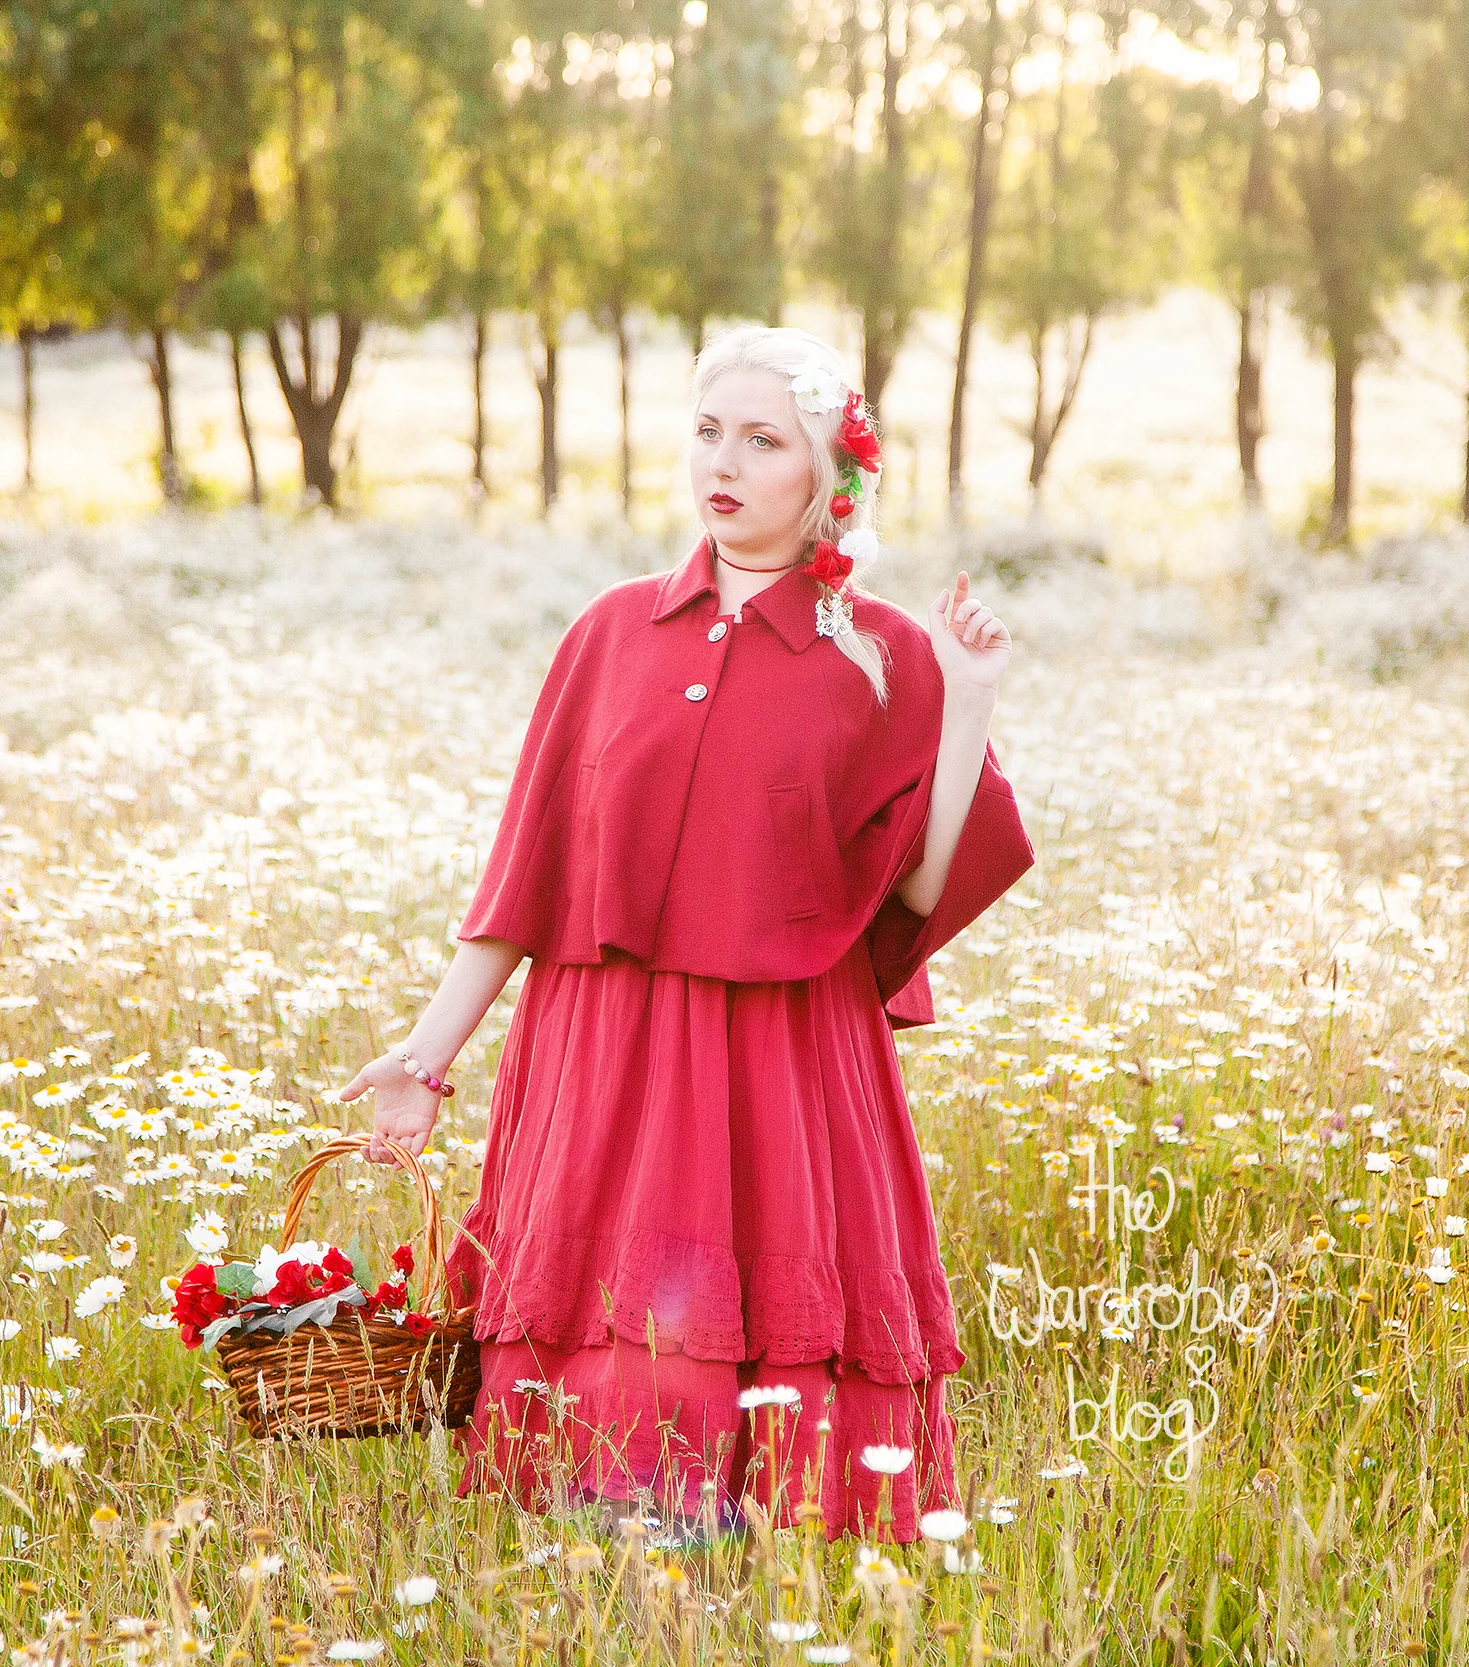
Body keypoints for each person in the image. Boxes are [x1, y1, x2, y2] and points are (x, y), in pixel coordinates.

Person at [333, 324, 1035, 1546]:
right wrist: (425, 1056)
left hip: (782, 1054)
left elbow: (921, 887)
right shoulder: (609, 632)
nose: (725, 461)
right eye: (710, 431)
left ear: (827, 479)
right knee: (611, 1356)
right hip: (602, 1048)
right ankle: (622, 1521)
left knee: (758, 1319)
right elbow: (527, 876)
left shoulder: (883, 655)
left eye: (763, 441)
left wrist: (969, 705)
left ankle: (766, 1525)